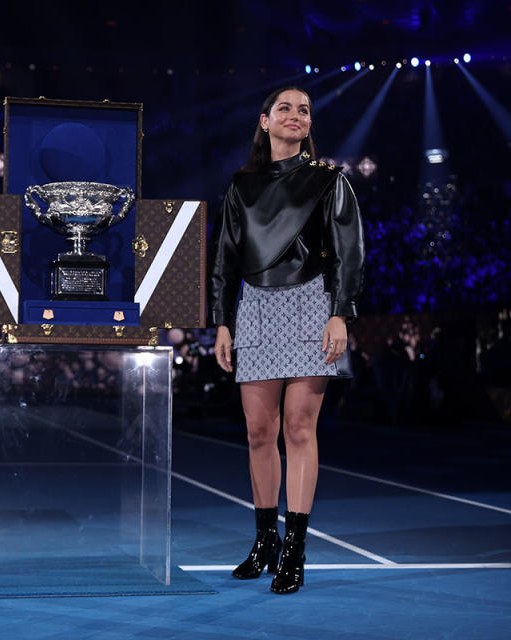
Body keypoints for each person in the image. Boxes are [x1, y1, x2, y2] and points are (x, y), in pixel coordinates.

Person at [210, 87, 365, 594]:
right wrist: (222, 321)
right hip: (253, 306)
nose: (296, 116)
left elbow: (349, 252)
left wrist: (341, 313)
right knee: (259, 431)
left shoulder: (329, 181)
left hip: (309, 306)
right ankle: (264, 542)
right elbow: (225, 260)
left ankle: (295, 549)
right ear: (264, 121)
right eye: (285, 109)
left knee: (299, 428)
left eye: (304, 110)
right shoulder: (241, 185)